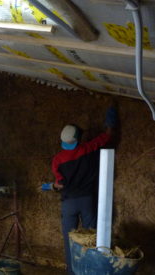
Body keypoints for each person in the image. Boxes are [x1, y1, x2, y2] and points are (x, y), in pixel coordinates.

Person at [49, 107, 117, 275]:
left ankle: (72, 272)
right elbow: (107, 136)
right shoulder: (87, 149)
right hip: (87, 200)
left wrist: (52, 186)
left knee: (69, 240)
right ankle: (90, 271)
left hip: (69, 203)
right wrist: (110, 121)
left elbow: (60, 183)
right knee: (92, 238)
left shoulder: (57, 160)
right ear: (78, 139)